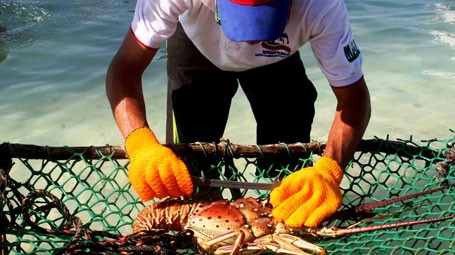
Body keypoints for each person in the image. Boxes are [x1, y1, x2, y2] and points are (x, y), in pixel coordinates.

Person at [106, 0, 371, 228]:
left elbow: (354, 97)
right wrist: (140, 143)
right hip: (197, 46)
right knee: (192, 166)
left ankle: (281, 216)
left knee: (290, 159)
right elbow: (124, 69)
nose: (252, 39)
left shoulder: (321, 6)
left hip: (278, 58)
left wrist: (329, 169)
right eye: (243, 21)